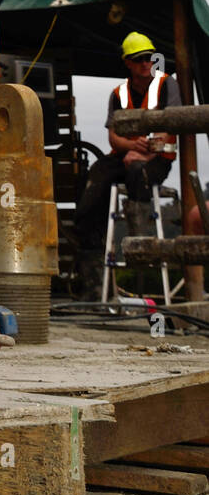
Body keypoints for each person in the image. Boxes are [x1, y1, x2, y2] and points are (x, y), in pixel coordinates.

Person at [73, 31, 180, 299]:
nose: (146, 63)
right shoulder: (118, 93)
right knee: (96, 179)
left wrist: (146, 152)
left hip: (157, 161)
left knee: (136, 171)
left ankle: (139, 240)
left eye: (148, 58)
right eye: (139, 59)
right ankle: (94, 282)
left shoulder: (168, 85)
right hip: (126, 156)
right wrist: (132, 148)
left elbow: (172, 124)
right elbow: (113, 135)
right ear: (128, 63)